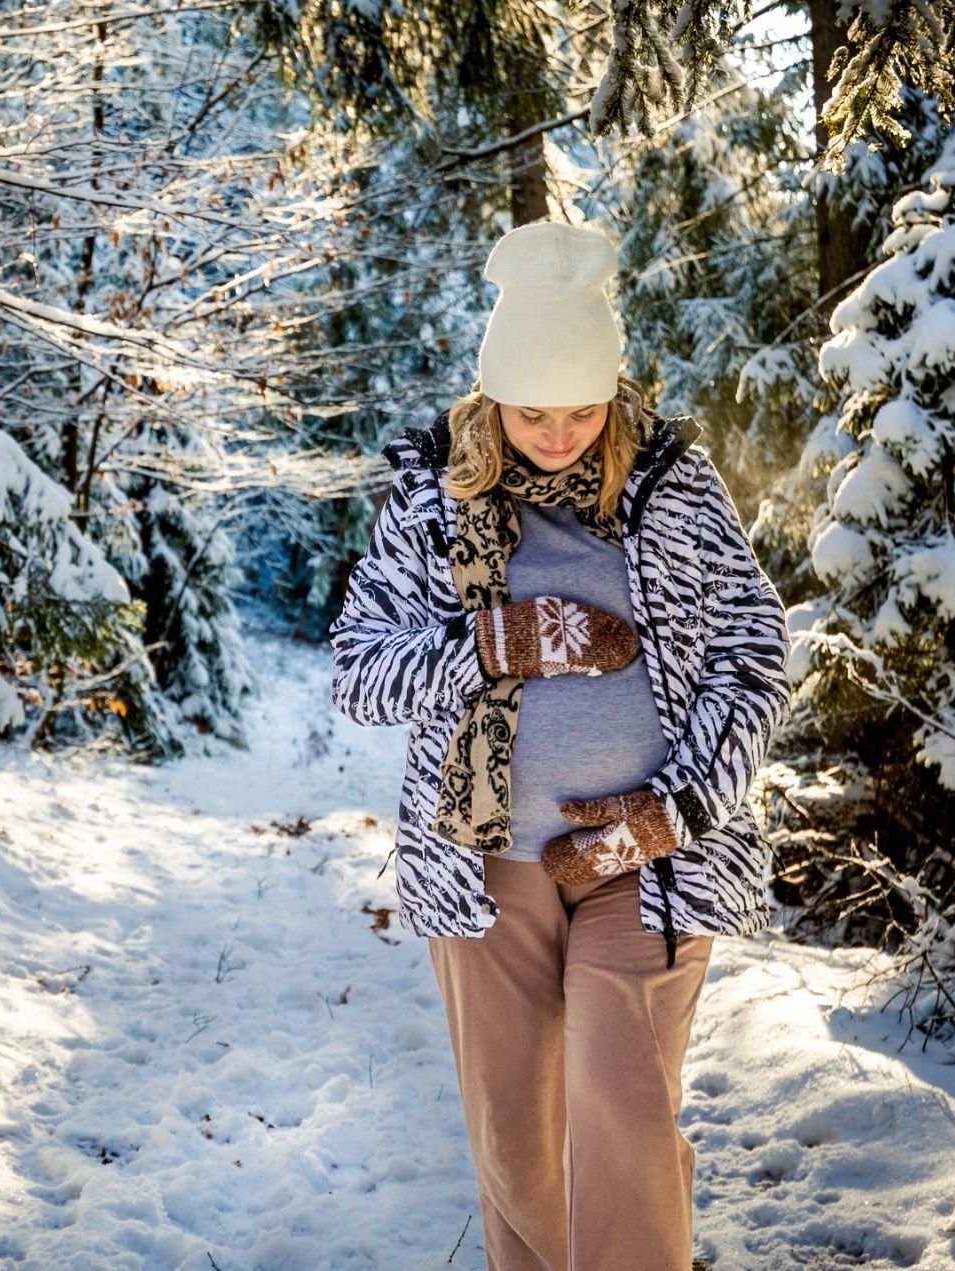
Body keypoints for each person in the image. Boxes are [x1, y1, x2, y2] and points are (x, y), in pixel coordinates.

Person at [328, 219, 793, 1270]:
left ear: (613, 390)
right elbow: (357, 670)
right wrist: (493, 642)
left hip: (648, 853)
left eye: (581, 409)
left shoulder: (670, 487)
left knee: (621, 1108)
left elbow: (752, 648)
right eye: (531, 411)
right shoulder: (430, 495)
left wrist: (672, 808)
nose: (556, 432)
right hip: (482, 860)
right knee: (514, 1140)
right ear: (492, 396)